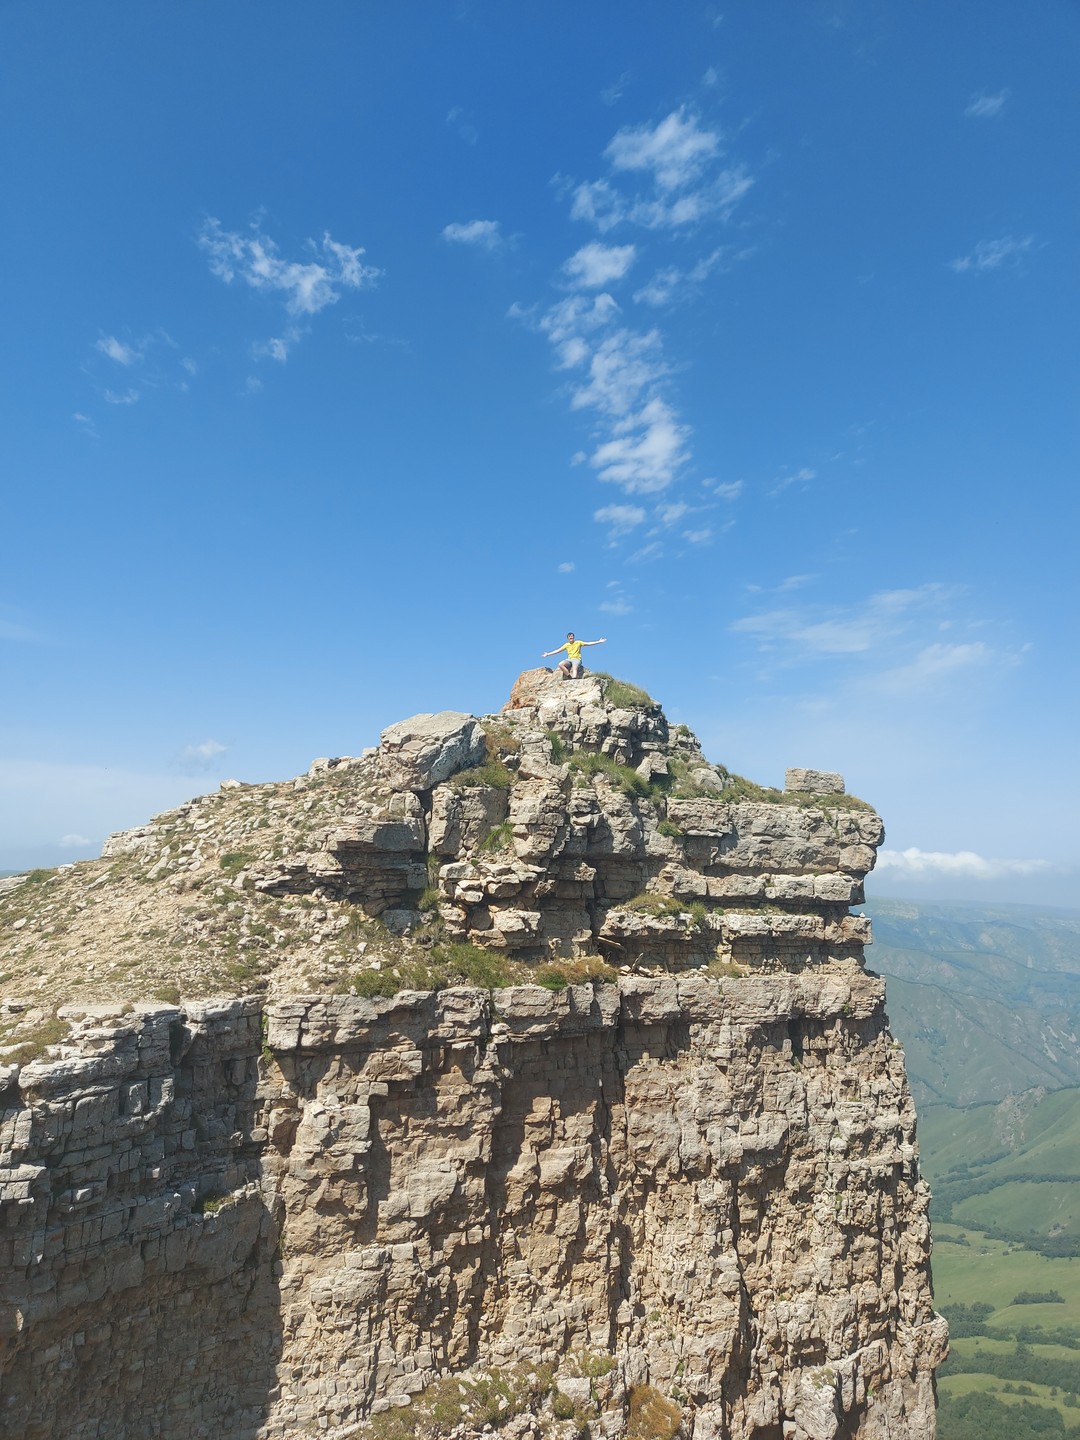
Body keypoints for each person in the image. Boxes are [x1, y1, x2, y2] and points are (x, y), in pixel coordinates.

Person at [542, 632, 607, 679]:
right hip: (569, 659)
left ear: (573, 637)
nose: (571, 637)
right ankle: (568, 676)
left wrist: (598, 641)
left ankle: (574, 677)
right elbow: (557, 650)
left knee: (574, 667)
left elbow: (588, 643)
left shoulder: (578, 642)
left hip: (577, 659)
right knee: (560, 664)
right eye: (570, 636)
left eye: (572, 636)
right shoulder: (566, 645)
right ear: (568, 638)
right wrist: (548, 654)